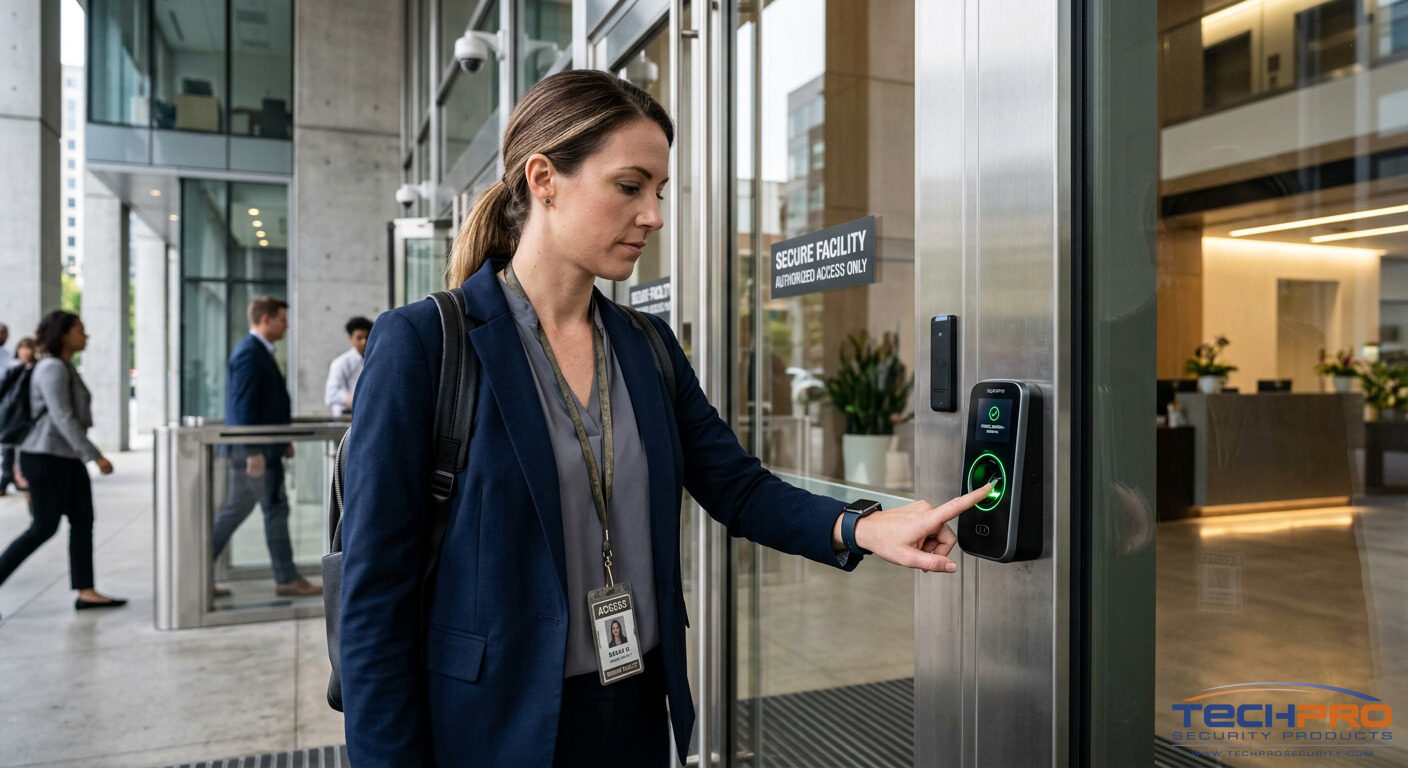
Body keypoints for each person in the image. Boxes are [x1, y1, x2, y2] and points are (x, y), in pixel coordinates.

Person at [338, 70, 992, 768]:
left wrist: (861, 525)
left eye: (659, 192)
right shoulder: (426, 344)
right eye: (630, 186)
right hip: (492, 726)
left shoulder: (644, 345)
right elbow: (375, 603)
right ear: (543, 178)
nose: (652, 214)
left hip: (634, 708)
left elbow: (735, 487)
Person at [0, 312, 126, 610]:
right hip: (46, 458)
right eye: (80, 331)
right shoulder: (52, 368)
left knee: (83, 521)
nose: (86, 336)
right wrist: (95, 455)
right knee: (43, 527)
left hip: (64, 458)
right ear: (64, 334)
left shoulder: (64, 366)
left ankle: (85, 590)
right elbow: (63, 418)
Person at [210, 297, 321, 597]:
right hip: (254, 453)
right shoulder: (250, 353)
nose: (287, 325)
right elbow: (244, 407)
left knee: (247, 511)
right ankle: (286, 578)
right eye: (283, 319)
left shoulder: (259, 351)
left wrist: (281, 441)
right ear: (266, 320)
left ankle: (196, 573)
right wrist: (254, 451)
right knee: (272, 510)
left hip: (263, 448)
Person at [0, 338, 37, 495]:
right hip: (10, 415)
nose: (26, 352)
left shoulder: (36, 370)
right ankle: (6, 479)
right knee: (8, 449)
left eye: (29, 348)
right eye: (23, 348)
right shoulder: (13, 369)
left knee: (21, 451)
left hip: (27, 416)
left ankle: (17, 478)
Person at [324, 316, 372, 417]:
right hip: (345, 417)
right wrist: (353, 398)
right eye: (359, 338)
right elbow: (331, 395)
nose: (364, 342)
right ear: (351, 339)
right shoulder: (341, 363)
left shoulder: (374, 361)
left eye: (367, 337)